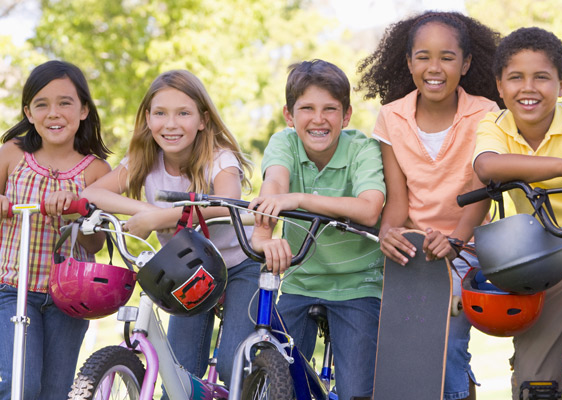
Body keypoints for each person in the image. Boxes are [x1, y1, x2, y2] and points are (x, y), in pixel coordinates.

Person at [81, 69, 259, 390]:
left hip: (238, 266)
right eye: (160, 113)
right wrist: (146, 211)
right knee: (178, 374)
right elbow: (91, 194)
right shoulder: (144, 160)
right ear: (148, 118)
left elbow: (228, 202)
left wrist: (160, 219)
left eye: (183, 113)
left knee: (235, 363)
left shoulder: (220, 158)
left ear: (203, 120)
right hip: (185, 273)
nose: (171, 123)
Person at [357, 11, 501, 400]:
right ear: (408, 62)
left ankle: (459, 385)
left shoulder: (486, 113)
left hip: (465, 246)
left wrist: (455, 239)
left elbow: (480, 193)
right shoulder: (391, 118)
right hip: (414, 251)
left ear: (466, 63)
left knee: (448, 347)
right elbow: (398, 202)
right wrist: (389, 233)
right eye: (423, 56)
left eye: (447, 57)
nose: (433, 68)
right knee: (403, 354)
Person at [472, 27, 562, 398]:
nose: (528, 88)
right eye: (516, 78)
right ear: (499, 86)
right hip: (549, 257)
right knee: (537, 374)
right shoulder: (495, 125)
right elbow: (487, 167)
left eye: (541, 77)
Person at [249, 59, 385, 400]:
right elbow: (274, 183)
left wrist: (299, 199)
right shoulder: (284, 143)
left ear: (347, 115)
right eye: (306, 108)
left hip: (359, 283)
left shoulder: (362, 149)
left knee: (357, 392)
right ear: (289, 115)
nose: (319, 118)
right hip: (301, 281)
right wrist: (264, 237)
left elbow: (369, 208)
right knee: (276, 372)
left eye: (330, 109)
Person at [0, 60, 111, 399]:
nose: (54, 113)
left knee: (53, 393)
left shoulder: (95, 171)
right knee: (19, 385)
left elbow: (95, 245)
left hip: (69, 298)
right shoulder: (11, 154)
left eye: (65, 102)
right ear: (28, 113)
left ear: (83, 111)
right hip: (12, 287)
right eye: (42, 104)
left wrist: (76, 213)